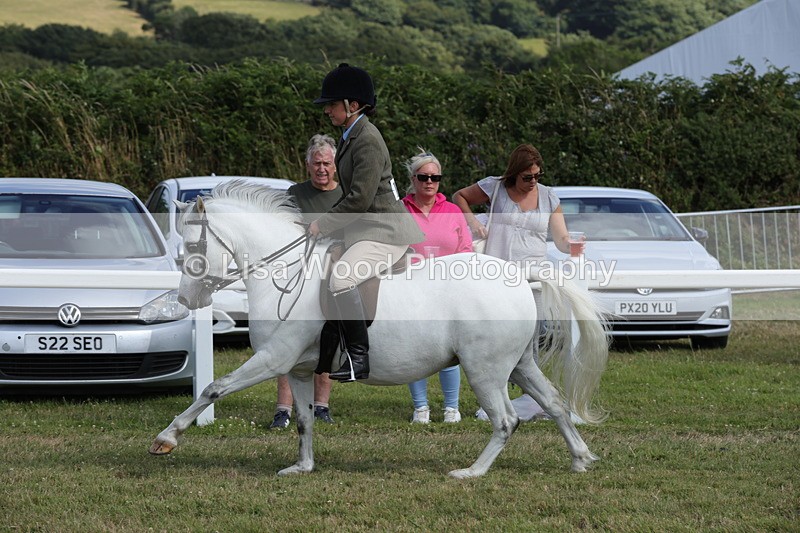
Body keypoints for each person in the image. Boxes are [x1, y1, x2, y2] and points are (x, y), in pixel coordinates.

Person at [308, 63, 424, 382]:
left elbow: (359, 198)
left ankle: (359, 358)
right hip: (366, 230)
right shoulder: (350, 135)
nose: (327, 110)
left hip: (385, 233)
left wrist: (323, 224)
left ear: (353, 105)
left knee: (341, 281)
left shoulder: (367, 139)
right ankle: (329, 352)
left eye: (332, 104)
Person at [453, 143, 582, 420]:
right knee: (496, 339)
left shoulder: (549, 197)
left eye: (537, 175)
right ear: (514, 173)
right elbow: (460, 196)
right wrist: (473, 223)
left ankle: (529, 398)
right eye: (527, 176)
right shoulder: (495, 187)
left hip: (532, 279)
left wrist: (572, 245)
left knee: (529, 339)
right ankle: (507, 397)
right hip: (497, 277)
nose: (533, 181)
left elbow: (560, 239)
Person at [270, 134, 343, 429]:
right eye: (317, 163)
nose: (322, 168)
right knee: (288, 341)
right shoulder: (294, 193)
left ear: (335, 166)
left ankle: (321, 406)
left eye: (326, 163)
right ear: (307, 165)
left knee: (327, 338)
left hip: (333, 275)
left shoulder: (346, 195)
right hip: (299, 274)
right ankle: (283, 409)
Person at [401, 149, 472, 424]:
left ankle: (451, 408)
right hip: (412, 288)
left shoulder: (453, 211)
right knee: (416, 348)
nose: (429, 182)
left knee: (450, 351)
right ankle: (421, 408)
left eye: (435, 177)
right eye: (423, 177)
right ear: (413, 178)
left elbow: (465, 249)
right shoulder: (401, 209)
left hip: (448, 290)